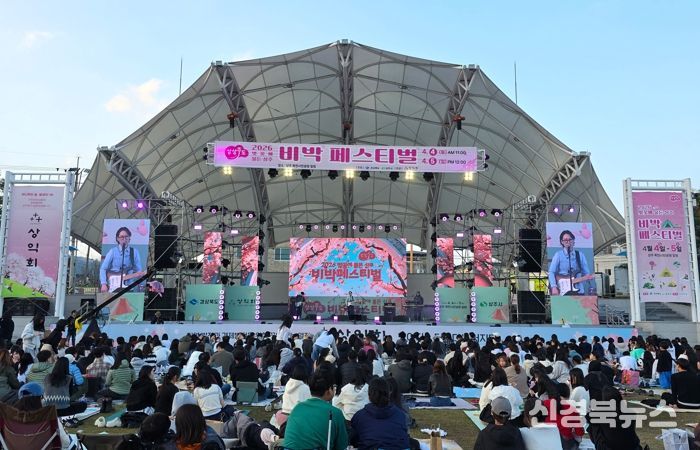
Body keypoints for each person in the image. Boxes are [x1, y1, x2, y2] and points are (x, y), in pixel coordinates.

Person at [283, 369, 348, 450]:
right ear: (329, 390)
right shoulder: (335, 413)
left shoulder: (297, 407)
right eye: (333, 387)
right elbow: (342, 446)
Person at [351, 377, 411, 450]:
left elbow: (353, 440)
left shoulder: (359, 416)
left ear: (369, 395)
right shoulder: (400, 414)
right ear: (388, 394)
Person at [587, 386, 642, 450]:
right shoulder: (631, 413)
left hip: (608, 447)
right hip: (632, 447)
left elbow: (589, 418)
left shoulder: (600, 415)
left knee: (593, 425)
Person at [99, 226, 144, 293]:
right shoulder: (112, 252)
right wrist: (103, 284)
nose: (124, 239)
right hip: (113, 287)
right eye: (122, 237)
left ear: (129, 238)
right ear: (117, 238)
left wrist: (141, 278)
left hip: (129, 287)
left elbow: (138, 270)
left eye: (126, 236)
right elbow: (103, 268)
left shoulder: (134, 252)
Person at [548, 230, 593, 295]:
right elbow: (551, 272)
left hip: (579, 291)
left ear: (573, 241)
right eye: (565, 240)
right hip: (563, 292)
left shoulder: (580, 255)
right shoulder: (558, 255)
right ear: (562, 242)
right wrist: (554, 287)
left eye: (570, 239)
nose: (568, 241)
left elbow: (586, 273)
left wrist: (585, 279)